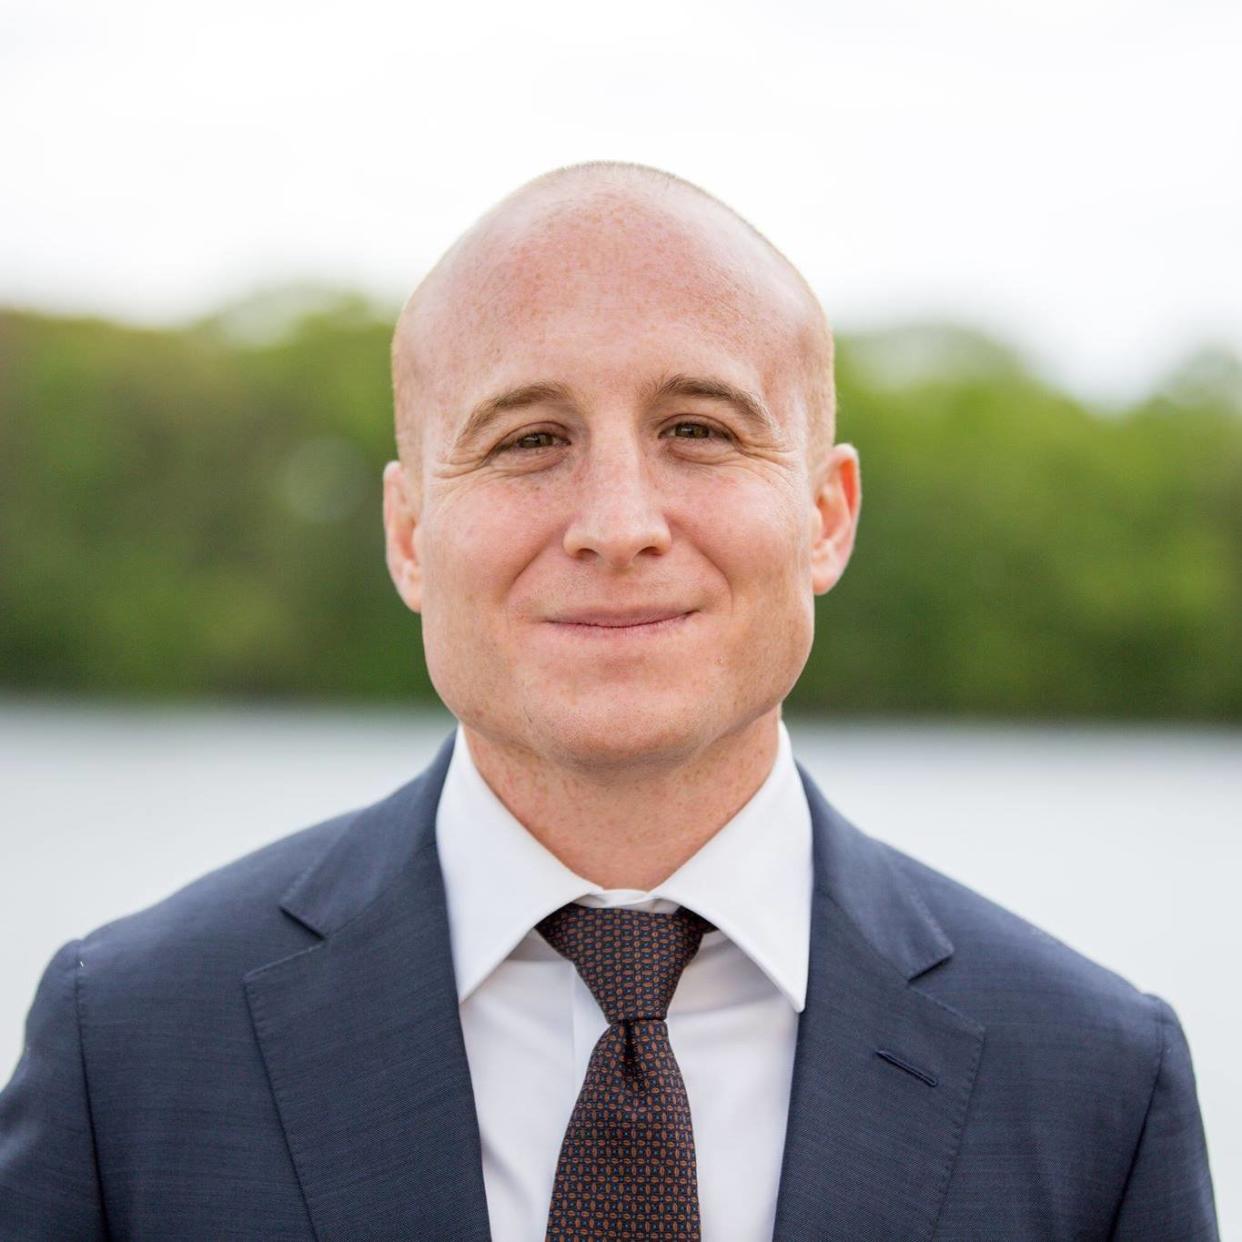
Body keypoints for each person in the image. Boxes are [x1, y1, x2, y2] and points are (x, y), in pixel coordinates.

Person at [0, 162, 1219, 1240]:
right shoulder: (130, 1049)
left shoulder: (1096, 1084)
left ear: (827, 516)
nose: (619, 525)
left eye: (698, 428)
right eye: (530, 440)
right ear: (411, 531)